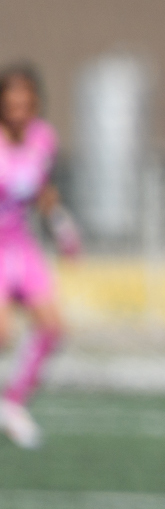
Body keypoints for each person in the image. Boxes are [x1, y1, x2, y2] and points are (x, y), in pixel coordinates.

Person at [0, 65, 80, 449]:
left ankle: (13, 403)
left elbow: (42, 191)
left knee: (52, 328)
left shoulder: (42, 140)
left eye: (26, 104)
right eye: (11, 103)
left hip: (21, 242)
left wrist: (63, 228)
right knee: (1, 334)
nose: (18, 111)